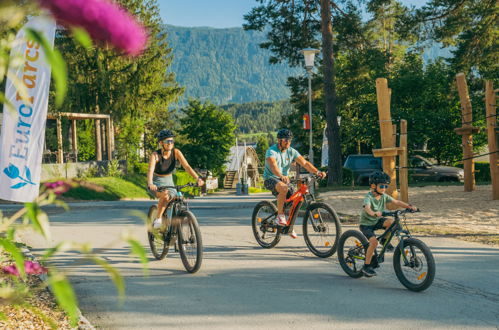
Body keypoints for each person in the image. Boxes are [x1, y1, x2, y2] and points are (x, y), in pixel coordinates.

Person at [263, 128, 326, 239]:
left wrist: (317, 172)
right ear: (279, 141)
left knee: (296, 199)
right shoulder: (271, 151)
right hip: (271, 179)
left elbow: (305, 163)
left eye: (289, 140)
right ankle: (280, 216)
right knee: (283, 188)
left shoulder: (291, 151)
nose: (288, 142)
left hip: (284, 180)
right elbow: (273, 165)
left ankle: (289, 227)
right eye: (285, 140)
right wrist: (281, 175)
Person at [360, 171, 417, 277]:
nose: (384, 188)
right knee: (373, 243)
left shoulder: (384, 196)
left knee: (391, 222)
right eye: (382, 186)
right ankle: (366, 266)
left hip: (377, 221)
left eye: (386, 186)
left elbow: (397, 202)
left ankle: (384, 239)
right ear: (373, 186)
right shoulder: (368, 197)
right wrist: (373, 213)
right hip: (366, 224)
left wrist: (409, 206)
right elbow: (367, 207)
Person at [147, 129, 204, 229]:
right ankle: (158, 219)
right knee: (165, 195)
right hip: (157, 182)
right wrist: (151, 183)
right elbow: (150, 170)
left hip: (169, 181)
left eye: (172, 141)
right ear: (161, 143)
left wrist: (198, 178)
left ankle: (174, 227)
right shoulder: (155, 155)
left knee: (177, 198)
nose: (170, 143)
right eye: (167, 141)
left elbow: (187, 167)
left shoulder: (176, 152)